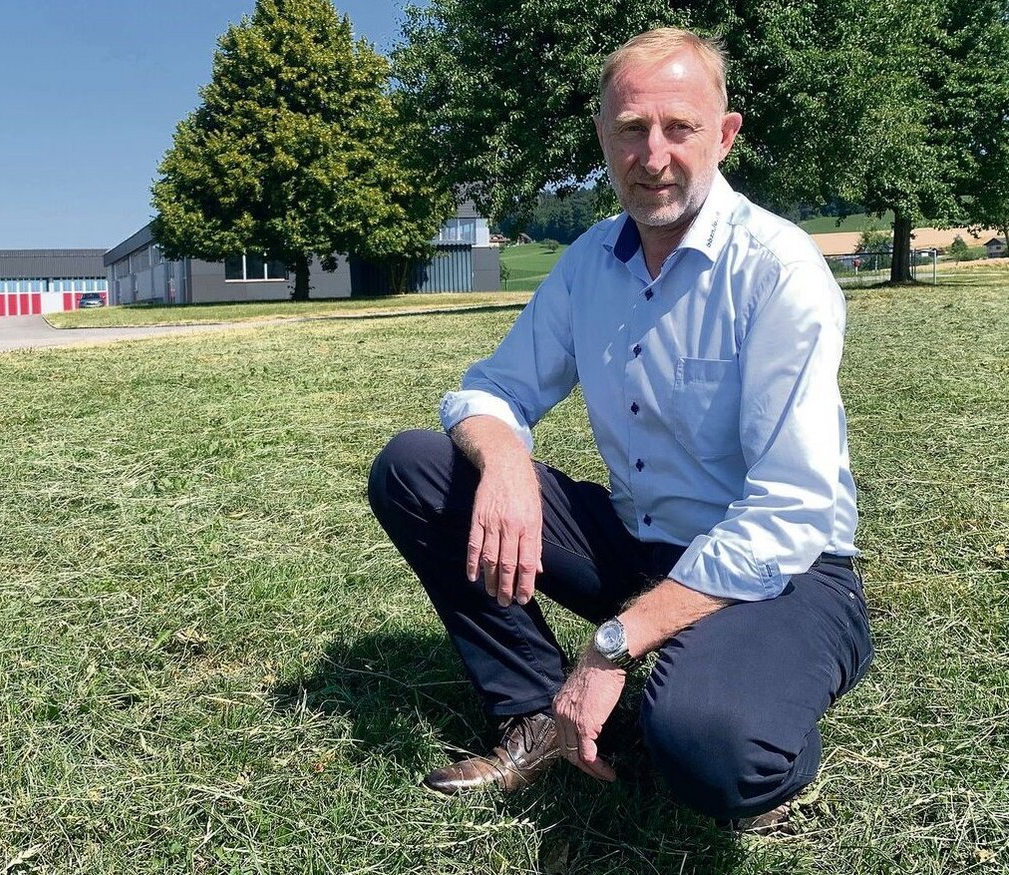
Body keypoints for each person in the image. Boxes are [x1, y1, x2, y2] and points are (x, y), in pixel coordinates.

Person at [367, 28, 872, 827]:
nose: (653, 155)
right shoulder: (589, 262)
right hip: (639, 544)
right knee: (417, 468)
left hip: (785, 571)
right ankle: (534, 710)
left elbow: (791, 510)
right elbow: (491, 390)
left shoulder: (778, 270)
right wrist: (505, 462)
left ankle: (753, 707)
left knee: (713, 746)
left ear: (725, 135)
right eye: (632, 128)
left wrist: (612, 646)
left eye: (680, 127)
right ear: (603, 135)